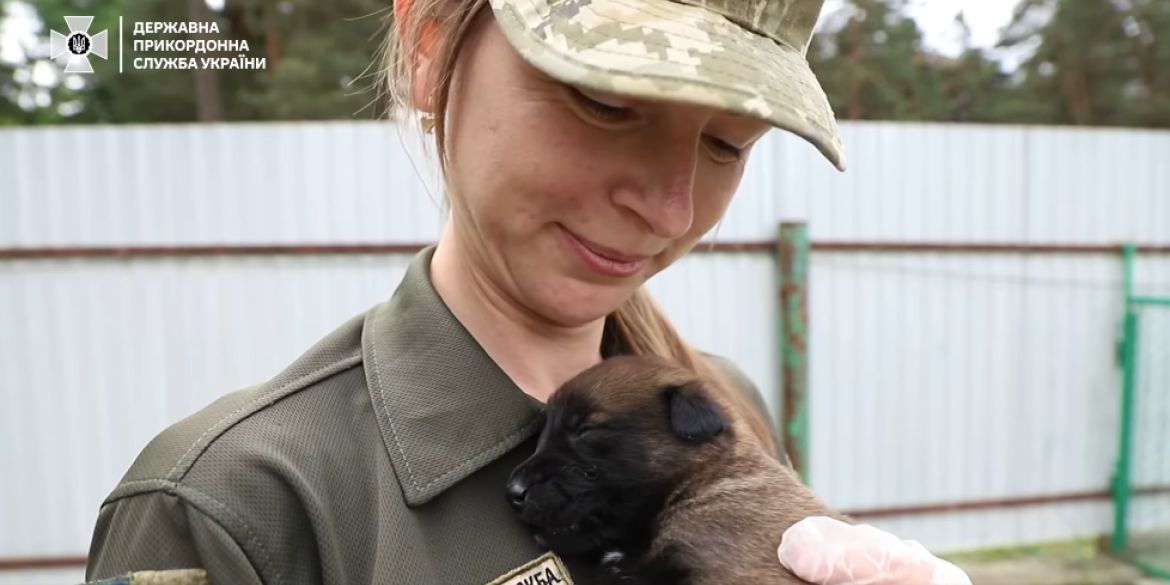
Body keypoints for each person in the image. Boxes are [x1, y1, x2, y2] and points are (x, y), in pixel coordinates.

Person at [82, 0, 972, 582]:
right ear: (432, 44)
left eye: (728, 144)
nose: (668, 204)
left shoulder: (719, 401)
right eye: (607, 102)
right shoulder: (241, 504)